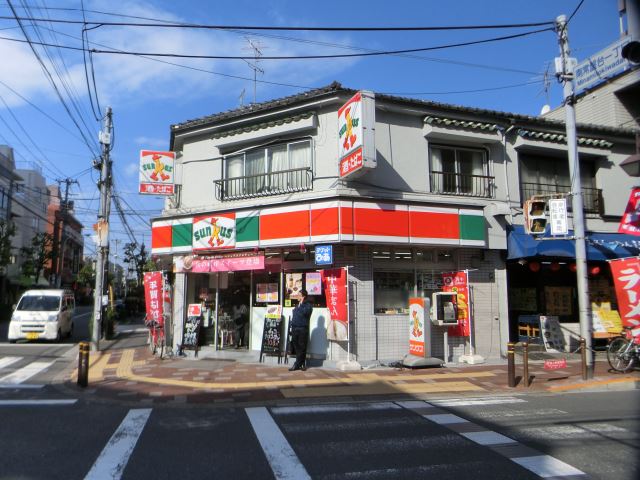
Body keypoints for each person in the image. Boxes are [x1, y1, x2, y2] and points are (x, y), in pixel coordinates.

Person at [289, 289, 313, 371]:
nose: (297, 297)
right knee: (296, 346)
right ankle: (302, 363)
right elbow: (295, 314)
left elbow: (305, 313)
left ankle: (297, 364)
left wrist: (302, 304)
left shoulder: (308, 305)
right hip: (295, 328)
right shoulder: (298, 305)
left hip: (302, 328)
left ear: (303, 296)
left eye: (299, 295)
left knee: (302, 346)